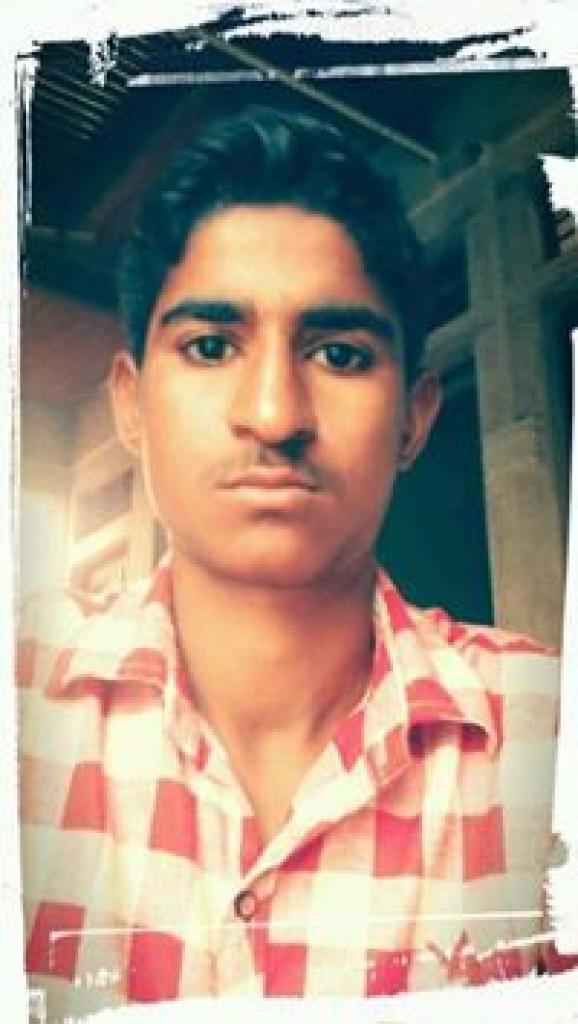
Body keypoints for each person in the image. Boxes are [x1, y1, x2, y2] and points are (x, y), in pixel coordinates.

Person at [18, 106, 566, 1020]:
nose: (275, 414)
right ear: (131, 406)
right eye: (210, 347)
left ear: (414, 420)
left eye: (340, 354)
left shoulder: (547, 743)